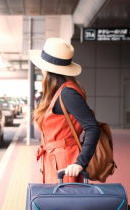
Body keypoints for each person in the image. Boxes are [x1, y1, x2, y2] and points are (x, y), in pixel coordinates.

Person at [30, 38, 100, 184]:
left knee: (64, 203)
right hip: (56, 159)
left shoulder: (67, 93)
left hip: (65, 162)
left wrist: (80, 162)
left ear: (47, 69)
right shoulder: (59, 92)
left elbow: (92, 127)